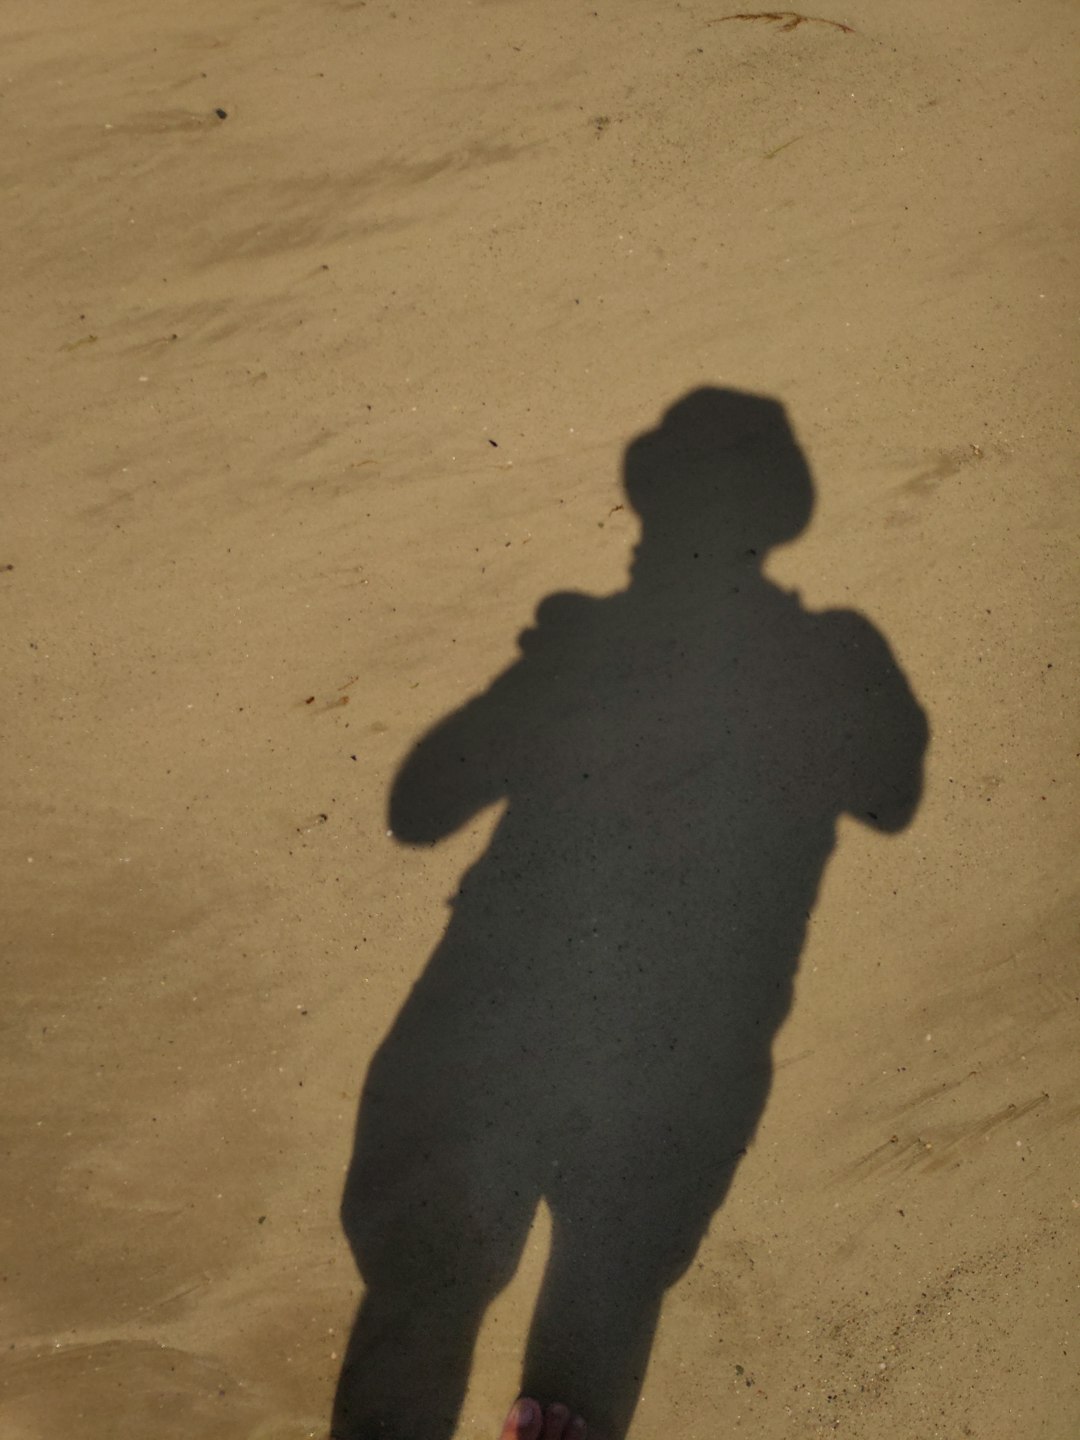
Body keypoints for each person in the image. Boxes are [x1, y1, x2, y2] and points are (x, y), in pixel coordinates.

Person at [332, 388, 928, 1439]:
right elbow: (893, 793)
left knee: (423, 1302)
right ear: (783, 515)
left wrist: (547, 673)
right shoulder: (838, 656)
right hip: (694, 1036)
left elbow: (416, 805)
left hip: (500, 1019)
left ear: (642, 506)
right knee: (602, 1294)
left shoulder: (580, 653)